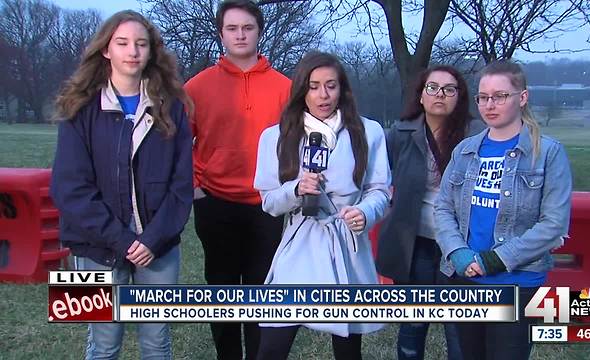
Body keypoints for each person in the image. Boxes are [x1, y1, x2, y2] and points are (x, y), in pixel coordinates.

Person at [50, 10, 193, 359]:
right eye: (123, 43)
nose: (133, 51)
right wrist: (124, 240)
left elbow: (181, 186)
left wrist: (152, 239)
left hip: (157, 245)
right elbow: (69, 189)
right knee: (102, 343)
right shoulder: (79, 108)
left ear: (151, 52)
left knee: (157, 342)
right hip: (94, 246)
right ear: (105, 50)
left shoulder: (171, 108)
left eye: (141, 44)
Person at [253, 51, 391, 360]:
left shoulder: (369, 132)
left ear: (342, 89)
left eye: (331, 85)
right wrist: (296, 189)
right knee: (272, 344)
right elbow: (269, 202)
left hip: (346, 246)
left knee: (347, 345)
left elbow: (380, 192)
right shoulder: (275, 137)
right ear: (302, 89)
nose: (323, 95)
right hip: (299, 243)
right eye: (314, 86)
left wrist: (364, 213)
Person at [435, 60, 572, 360]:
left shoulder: (548, 153)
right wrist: (457, 252)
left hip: (518, 284)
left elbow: (554, 225)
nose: (489, 105)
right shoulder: (465, 150)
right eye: (483, 97)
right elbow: (443, 207)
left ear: (522, 98)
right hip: (465, 280)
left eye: (500, 96)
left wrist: (495, 260)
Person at [183, 1, 291, 359]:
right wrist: (197, 190)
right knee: (223, 292)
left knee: (262, 293)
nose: (240, 35)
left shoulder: (286, 88)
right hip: (216, 204)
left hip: (268, 207)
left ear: (259, 32)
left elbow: (298, 143)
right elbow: (178, 142)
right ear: (221, 34)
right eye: (232, 28)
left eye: (248, 27)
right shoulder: (197, 87)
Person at [376, 65, 481, 360]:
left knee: (460, 330)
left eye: (449, 89)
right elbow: (370, 168)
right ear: (421, 96)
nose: (440, 95)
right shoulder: (399, 134)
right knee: (413, 325)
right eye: (432, 88)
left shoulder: (477, 138)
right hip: (415, 245)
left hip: (460, 246)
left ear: (459, 97)